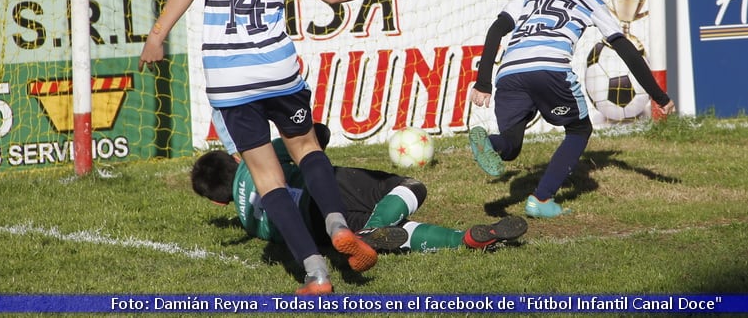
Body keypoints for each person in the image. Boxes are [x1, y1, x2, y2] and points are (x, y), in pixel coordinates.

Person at [139, 0, 411, 295]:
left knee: (267, 177)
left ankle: (316, 273)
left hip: (229, 80)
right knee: (307, 149)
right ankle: (338, 222)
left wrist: (157, 35)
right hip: (278, 70)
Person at [468, 0, 676, 219]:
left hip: (510, 71)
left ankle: (489, 144)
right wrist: (659, 96)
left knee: (510, 145)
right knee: (579, 130)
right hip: (550, 69)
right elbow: (625, 48)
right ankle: (541, 200)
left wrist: (483, 82)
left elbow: (496, 30)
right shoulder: (591, 0)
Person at [191, 123, 529, 254]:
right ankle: (374, 229)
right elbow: (317, 136)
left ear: (220, 204)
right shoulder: (254, 160)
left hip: (314, 228)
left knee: (405, 233)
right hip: (326, 188)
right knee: (410, 186)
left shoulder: (248, 221)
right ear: (234, 159)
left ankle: (466, 240)